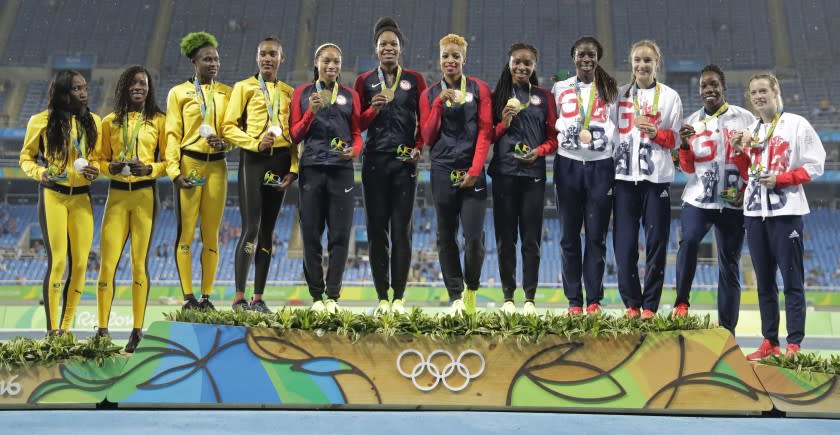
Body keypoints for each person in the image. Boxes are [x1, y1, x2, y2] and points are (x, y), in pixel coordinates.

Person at [731, 73, 825, 360]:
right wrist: (738, 152)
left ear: (775, 92)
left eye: (763, 91)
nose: (759, 97)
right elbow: (749, 174)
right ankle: (769, 341)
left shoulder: (797, 124)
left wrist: (782, 179)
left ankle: (794, 344)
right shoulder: (751, 131)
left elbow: (816, 165)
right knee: (764, 282)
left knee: (792, 281)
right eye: (754, 93)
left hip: (786, 213)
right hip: (755, 213)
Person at [672, 65, 755, 334]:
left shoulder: (745, 118)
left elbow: (756, 158)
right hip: (699, 198)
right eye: (704, 86)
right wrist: (684, 146)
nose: (709, 90)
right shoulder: (692, 121)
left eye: (713, 84)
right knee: (689, 241)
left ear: (723, 87)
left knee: (729, 264)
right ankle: (681, 303)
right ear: (699, 91)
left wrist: (747, 188)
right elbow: (686, 168)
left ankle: (727, 328)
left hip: (733, 202)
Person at [19, 70, 102, 334]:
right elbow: (26, 158)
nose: (83, 93)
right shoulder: (40, 121)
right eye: (77, 89)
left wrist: (95, 169)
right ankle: (51, 330)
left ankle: (66, 329)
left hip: (82, 199)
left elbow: (98, 158)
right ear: (63, 93)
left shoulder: (94, 121)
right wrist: (39, 173)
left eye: (85, 88)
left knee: (80, 265)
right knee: (58, 263)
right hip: (53, 195)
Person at [354, 18, 426, 315]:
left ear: (400, 49)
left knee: (402, 231)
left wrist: (418, 149)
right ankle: (382, 296)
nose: (388, 48)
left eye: (393, 44)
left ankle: (399, 297)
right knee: (376, 231)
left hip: (403, 163)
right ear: (376, 49)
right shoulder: (364, 81)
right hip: (374, 162)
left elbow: (425, 121)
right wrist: (373, 110)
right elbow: (355, 125)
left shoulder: (415, 80)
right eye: (383, 44)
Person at [419, 34, 492, 315]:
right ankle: (456, 298)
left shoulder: (480, 89)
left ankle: (471, 289)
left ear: (464, 58)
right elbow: (427, 136)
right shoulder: (429, 94)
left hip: (472, 172)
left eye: (455, 56)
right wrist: (438, 104)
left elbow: (485, 131)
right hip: (441, 170)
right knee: (446, 236)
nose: (450, 60)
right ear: (440, 59)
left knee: (474, 238)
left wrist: (475, 171)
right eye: (445, 56)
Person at [94, 65, 166, 351]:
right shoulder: (109, 122)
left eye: (143, 83)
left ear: (149, 89)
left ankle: (137, 330)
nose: (138, 87)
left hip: (145, 196)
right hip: (117, 196)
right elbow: (96, 160)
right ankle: (102, 330)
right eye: (133, 83)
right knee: (106, 267)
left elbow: (168, 164)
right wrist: (107, 167)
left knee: (139, 266)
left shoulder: (159, 121)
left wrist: (149, 167)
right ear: (123, 87)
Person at [223, 37, 297, 314]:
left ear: (282, 58)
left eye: (273, 54)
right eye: (263, 54)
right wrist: (254, 143)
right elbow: (228, 127)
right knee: (251, 228)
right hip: (254, 159)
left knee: (268, 231)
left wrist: (293, 169)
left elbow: (294, 136)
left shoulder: (289, 92)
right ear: (257, 57)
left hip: (279, 161)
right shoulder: (243, 87)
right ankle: (239, 298)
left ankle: (259, 298)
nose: (267, 58)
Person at [290, 43, 363, 314]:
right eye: (326, 61)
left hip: (341, 171)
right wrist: (310, 111)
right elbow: (294, 135)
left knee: (340, 235)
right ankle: (317, 298)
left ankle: (332, 297)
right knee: (311, 234)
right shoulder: (301, 94)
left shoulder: (351, 96)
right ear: (316, 63)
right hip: (312, 169)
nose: (331, 66)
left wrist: (354, 151)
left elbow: (356, 134)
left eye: (336, 62)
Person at [612, 39, 682, 319]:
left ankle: (650, 306)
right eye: (638, 60)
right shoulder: (617, 96)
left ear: (657, 63)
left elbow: (676, 139)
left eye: (648, 60)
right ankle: (631, 304)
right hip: (624, 180)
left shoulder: (669, 97)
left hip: (656, 181)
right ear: (631, 63)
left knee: (656, 244)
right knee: (624, 245)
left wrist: (655, 134)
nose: (642, 65)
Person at [551, 36, 618, 316]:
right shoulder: (560, 87)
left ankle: (593, 300)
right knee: (568, 237)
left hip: (601, 166)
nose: (586, 59)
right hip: (567, 164)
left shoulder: (611, 88)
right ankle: (573, 301)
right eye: (581, 54)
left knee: (596, 237)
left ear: (598, 57)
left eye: (591, 54)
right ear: (574, 57)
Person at [165, 32, 232, 311]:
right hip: (189, 165)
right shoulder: (178, 93)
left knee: (211, 234)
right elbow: (171, 134)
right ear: (194, 62)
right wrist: (173, 171)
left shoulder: (228, 93)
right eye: (207, 59)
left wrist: (227, 142)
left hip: (218, 166)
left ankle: (206, 297)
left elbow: (234, 132)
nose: (213, 63)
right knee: (186, 234)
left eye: (216, 59)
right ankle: (188, 297)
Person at [489, 42, 557, 315]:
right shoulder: (497, 97)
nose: (521, 66)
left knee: (531, 240)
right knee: (506, 239)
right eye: (517, 61)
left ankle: (529, 298)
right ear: (509, 63)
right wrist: (502, 124)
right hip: (504, 173)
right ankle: (508, 298)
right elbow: (486, 137)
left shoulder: (544, 97)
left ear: (534, 66)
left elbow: (554, 138)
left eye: (527, 63)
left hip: (533, 176)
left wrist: (539, 151)